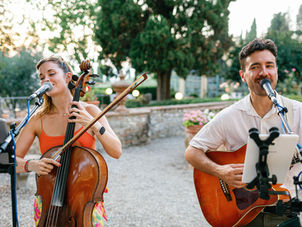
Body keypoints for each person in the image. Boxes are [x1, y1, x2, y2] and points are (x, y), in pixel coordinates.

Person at [185, 38, 302, 226]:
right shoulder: (229, 116)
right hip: (244, 214)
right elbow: (192, 151)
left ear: (276, 71)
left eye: (269, 65)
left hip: (286, 214)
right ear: (243, 75)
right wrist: (220, 171)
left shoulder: (298, 113)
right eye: (255, 67)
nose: (264, 72)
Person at [15, 56, 122, 226]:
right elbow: (11, 160)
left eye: (51, 74)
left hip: (84, 202)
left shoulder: (90, 111)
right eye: (42, 77)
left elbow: (116, 151)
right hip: (49, 204)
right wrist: (32, 165)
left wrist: (93, 125)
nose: (46, 80)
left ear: (67, 77)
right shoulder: (37, 119)